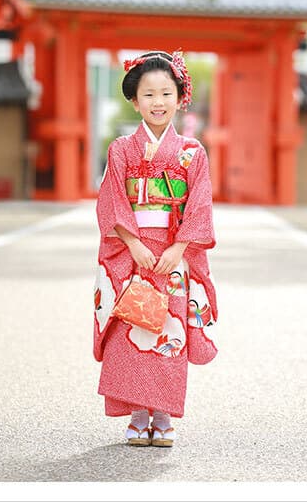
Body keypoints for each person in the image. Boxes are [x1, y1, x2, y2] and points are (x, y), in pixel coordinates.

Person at [93, 50, 218, 448]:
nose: (158, 102)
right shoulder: (121, 150)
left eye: (166, 93)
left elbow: (199, 204)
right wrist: (131, 243)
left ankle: (162, 414)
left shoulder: (193, 153)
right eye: (148, 95)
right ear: (134, 101)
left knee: (169, 330)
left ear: (181, 97)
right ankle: (136, 413)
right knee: (131, 330)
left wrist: (179, 248)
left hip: (172, 253)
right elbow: (113, 200)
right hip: (132, 252)